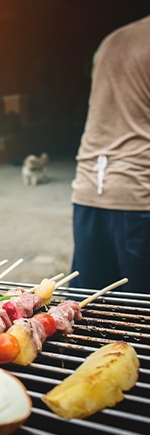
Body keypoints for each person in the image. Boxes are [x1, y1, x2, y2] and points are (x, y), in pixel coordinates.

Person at [70, 16, 150, 293]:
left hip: (88, 189)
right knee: (138, 316)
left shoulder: (111, 41)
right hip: (137, 192)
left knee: (89, 306)